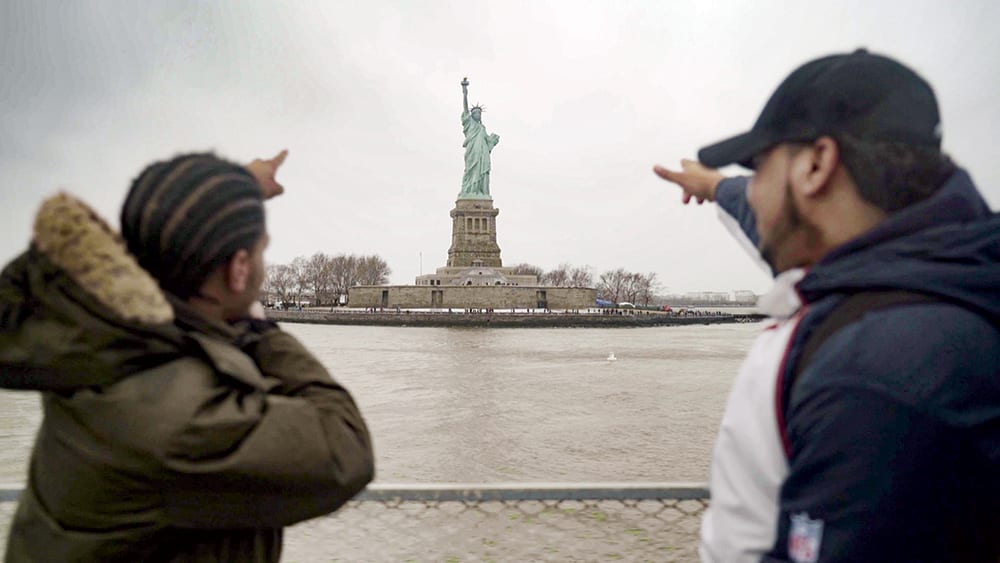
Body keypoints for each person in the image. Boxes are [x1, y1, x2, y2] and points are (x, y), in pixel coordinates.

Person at [654, 49, 999, 562]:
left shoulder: (872, 373)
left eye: (759, 167)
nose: (752, 194)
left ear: (817, 166)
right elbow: (760, 205)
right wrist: (713, 186)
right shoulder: (925, 269)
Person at [0, 150, 375, 561]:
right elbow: (344, 449)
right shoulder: (177, 420)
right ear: (238, 270)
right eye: (261, 252)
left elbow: (160, 230)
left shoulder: (106, 341)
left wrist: (235, 192)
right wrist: (260, 329)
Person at [459, 78, 500, 198]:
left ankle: (481, 192)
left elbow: (488, 142)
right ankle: (469, 191)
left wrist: (493, 141)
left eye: (479, 113)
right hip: (472, 152)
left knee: (482, 172)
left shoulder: (482, 128)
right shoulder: (470, 123)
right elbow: (465, 109)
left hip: (482, 154)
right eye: (476, 112)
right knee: (471, 170)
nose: (478, 114)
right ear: (472, 115)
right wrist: (465, 92)